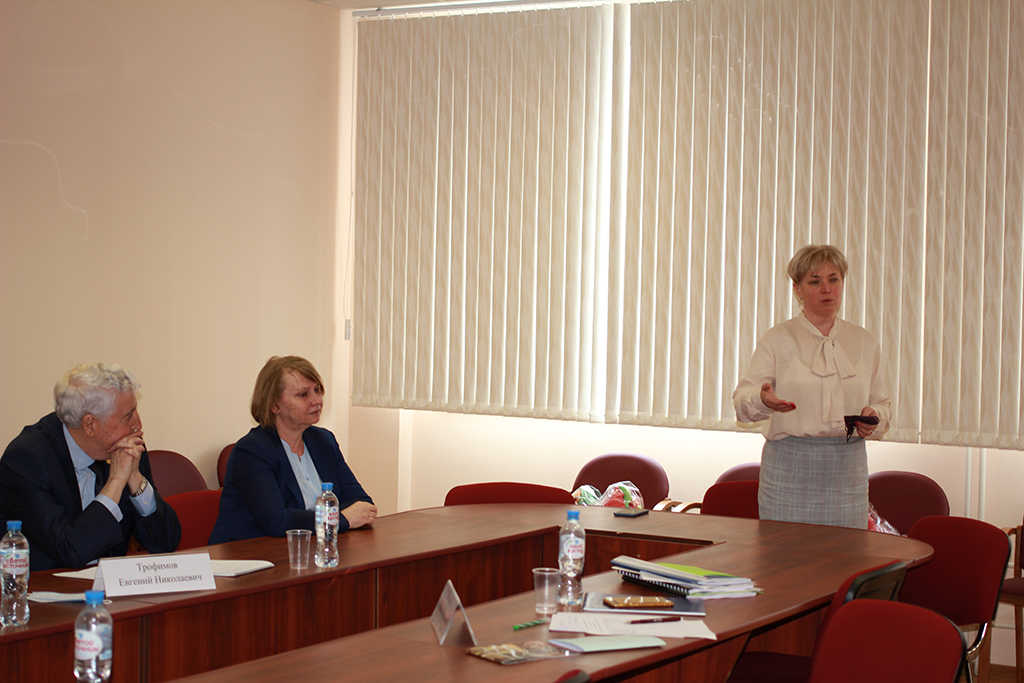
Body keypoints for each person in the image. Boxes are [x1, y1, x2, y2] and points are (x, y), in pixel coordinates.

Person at [732, 245, 891, 529]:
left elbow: (883, 404)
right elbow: (742, 401)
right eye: (815, 281)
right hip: (789, 470)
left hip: (847, 472)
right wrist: (763, 400)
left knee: (846, 553)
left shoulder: (865, 341)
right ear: (797, 289)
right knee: (784, 552)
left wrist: (874, 417)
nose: (827, 289)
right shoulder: (777, 339)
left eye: (834, 279)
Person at [0, 363, 182, 570]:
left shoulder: (127, 448)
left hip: (108, 585)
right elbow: (70, 551)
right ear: (89, 425)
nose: (137, 424)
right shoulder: (27, 461)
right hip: (44, 586)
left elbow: (166, 544)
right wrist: (116, 482)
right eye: (128, 416)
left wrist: (135, 480)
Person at [209, 356, 376, 544]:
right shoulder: (252, 451)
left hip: (312, 549)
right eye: (303, 395)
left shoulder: (323, 441)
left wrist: (343, 516)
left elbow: (361, 504)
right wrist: (341, 519)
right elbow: (278, 521)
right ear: (274, 405)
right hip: (250, 555)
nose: (316, 401)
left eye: (317, 390)